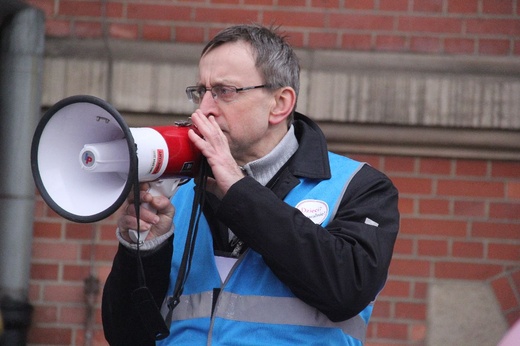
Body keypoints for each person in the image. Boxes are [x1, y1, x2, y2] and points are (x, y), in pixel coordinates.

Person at [102, 24, 400, 345]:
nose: (204, 109)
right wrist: (144, 252)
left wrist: (238, 189)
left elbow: (347, 289)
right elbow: (126, 335)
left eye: (224, 91)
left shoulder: (358, 186)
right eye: (200, 92)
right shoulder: (179, 190)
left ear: (280, 104)